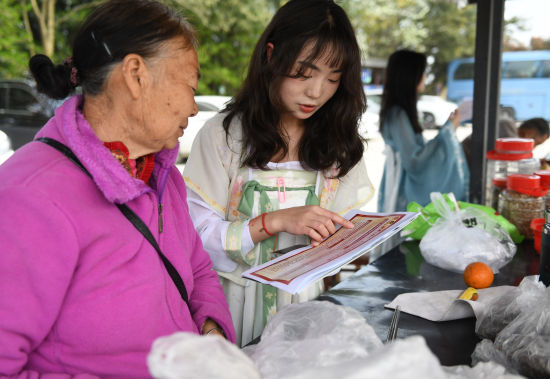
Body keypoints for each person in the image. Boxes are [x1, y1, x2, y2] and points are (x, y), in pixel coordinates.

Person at [0, 0, 235, 376]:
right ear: (136, 75)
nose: (194, 107)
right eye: (191, 86)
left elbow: (199, 270)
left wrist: (212, 333)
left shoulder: (163, 176)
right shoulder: (29, 197)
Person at [183, 0, 374, 346]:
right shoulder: (223, 136)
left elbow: (347, 235)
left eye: (332, 78)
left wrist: (346, 243)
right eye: (305, 72)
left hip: (305, 309)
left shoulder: (339, 146)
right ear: (272, 55)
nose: (316, 92)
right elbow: (195, 240)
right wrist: (275, 222)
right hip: (231, 306)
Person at [377, 49, 469, 212]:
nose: (425, 77)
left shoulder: (397, 111)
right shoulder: (398, 114)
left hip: (397, 179)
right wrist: (448, 130)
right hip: (400, 185)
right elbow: (414, 160)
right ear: (410, 75)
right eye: (423, 72)